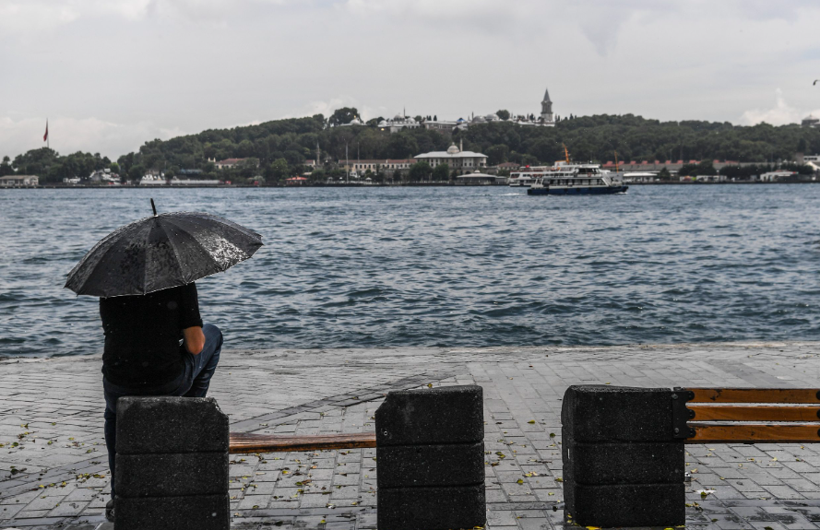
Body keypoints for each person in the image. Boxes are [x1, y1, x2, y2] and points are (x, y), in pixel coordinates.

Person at [99, 282, 222, 522]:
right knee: (213, 334)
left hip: (118, 382)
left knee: (114, 412)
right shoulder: (178, 283)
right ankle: (187, 410)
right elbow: (195, 346)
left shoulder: (111, 286)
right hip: (165, 381)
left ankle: (119, 495)